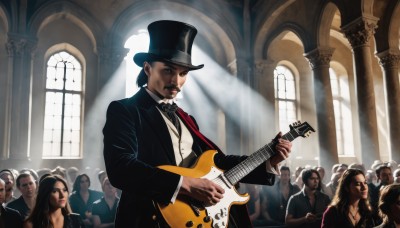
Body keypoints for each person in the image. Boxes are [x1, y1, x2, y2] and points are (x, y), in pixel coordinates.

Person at [103, 20, 292, 228]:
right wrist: (186, 184)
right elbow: (120, 167)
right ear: (147, 68)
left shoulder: (186, 118)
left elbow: (216, 163)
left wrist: (268, 160)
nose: (176, 81)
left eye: (183, 73)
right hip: (148, 220)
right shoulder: (124, 110)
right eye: (168, 70)